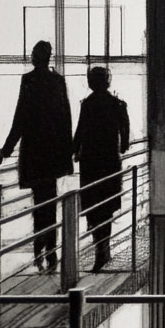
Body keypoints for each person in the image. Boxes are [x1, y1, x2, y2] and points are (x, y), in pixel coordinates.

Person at [0, 41, 73, 273]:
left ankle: (40, 248)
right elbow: (65, 118)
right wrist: (67, 154)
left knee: (39, 202)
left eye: (33, 53)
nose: (31, 56)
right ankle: (49, 250)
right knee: (49, 202)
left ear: (37, 57)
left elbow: (20, 116)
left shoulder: (29, 81)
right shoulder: (57, 81)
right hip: (51, 153)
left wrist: (7, 148)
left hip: (34, 152)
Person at [72, 66, 131, 272]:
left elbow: (80, 130)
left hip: (91, 163)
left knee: (94, 207)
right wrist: (122, 145)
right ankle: (103, 249)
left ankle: (100, 249)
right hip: (109, 162)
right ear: (107, 81)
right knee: (106, 207)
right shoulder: (117, 104)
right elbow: (125, 134)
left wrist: (73, 151)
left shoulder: (87, 104)